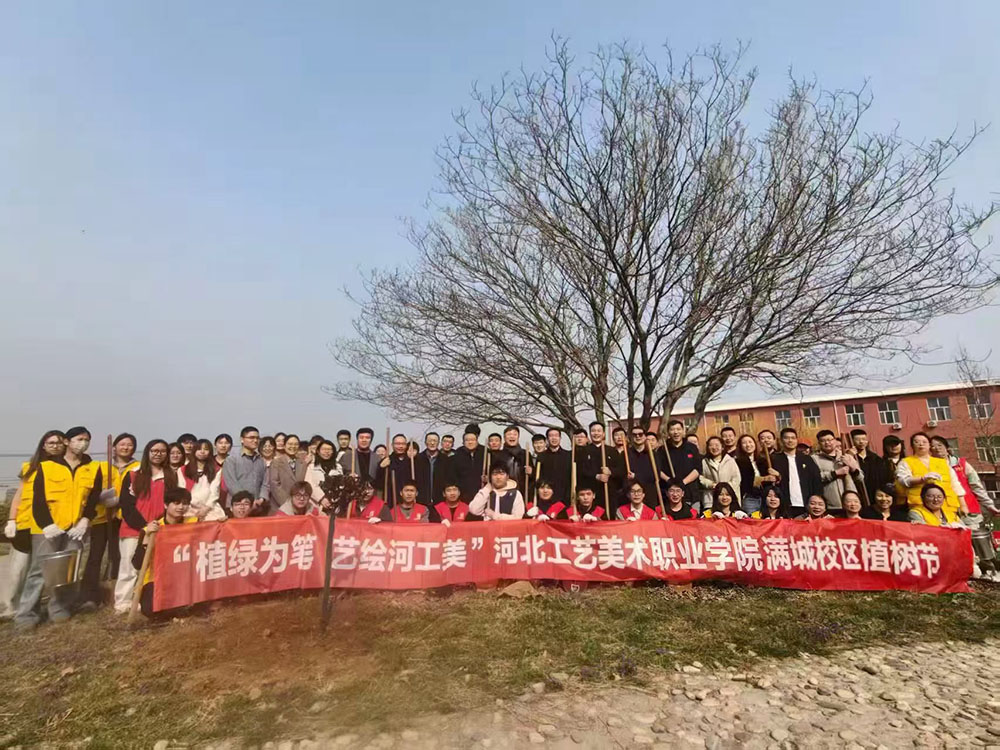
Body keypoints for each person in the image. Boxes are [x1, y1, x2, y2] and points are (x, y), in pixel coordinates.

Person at [15, 426, 105, 629]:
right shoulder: (46, 466)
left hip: (75, 529)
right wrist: (47, 525)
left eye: (87, 440)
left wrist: (85, 520)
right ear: (67, 441)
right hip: (46, 529)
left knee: (68, 572)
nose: (83, 443)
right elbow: (38, 499)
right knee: (39, 573)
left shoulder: (93, 468)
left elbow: (92, 499)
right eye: (79, 439)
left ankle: (59, 609)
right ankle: (26, 615)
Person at [2, 430, 65, 619]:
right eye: (51, 442)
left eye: (59, 442)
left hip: (47, 527)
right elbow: (19, 495)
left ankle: (32, 606)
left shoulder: (65, 468)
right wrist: (11, 520)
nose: (55, 446)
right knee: (19, 570)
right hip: (24, 524)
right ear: (43, 445)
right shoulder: (30, 467)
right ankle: (10, 608)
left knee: (39, 570)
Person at [115, 439, 178, 614]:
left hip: (159, 529)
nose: (158, 454)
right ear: (147, 452)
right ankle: (123, 602)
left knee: (153, 567)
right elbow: (127, 505)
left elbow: (172, 502)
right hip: (134, 529)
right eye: (154, 450)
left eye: (162, 451)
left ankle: (145, 599)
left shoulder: (171, 475)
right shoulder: (133, 474)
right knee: (129, 566)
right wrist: (144, 525)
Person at [132, 487, 198, 619]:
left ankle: (178, 609)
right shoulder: (151, 529)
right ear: (166, 505)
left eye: (185, 503)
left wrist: (221, 524)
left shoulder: (194, 523)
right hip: (156, 578)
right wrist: (147, 538)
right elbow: (137, 564)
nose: (181, 507)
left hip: (183, 577)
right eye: (176, 503)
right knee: (150, 608)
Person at [931, 435, 997, 526]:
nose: (937, 448)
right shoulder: (929, 467)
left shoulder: (962, 464)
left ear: (947, 447)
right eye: (932, 446)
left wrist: (989, 505)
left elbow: (976, 486)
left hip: (969, 509)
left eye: (939, 445)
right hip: (945, 512)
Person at [896, 433, 966, 516]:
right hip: (920, 507)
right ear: (912, 446)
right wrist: (922, 479)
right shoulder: (905, 462)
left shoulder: (942, 462)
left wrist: (963, 505)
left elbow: (955, 484)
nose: (921, 444)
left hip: (947, 507)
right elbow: (903, 480)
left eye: (924, 442)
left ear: (929, 445)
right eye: (917, 442)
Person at [103, 432, 140, 584]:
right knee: (110, 553)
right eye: (122, 444)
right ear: (114, 447)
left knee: (127, 553)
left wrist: (120, 500)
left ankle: (126, 583)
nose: (125, 447)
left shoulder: (138, 467)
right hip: (106, 516)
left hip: (128, 516)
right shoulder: (104, 466)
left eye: (130, 445)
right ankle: (111, 580)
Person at [771, 428, 822, 518]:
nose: (790, 440)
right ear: (781, 441)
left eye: (793, 438)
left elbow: (816, 480)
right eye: (786, 438)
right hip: (784, 505)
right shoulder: (775, 459)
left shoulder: (806, 459)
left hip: (805, 504)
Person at [221, 426, 269, 515]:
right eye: (251, 438)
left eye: (257, 438)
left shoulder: (261, 460)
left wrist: (262, 499)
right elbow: (232, 484)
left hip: (257, 507)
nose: (255, 440)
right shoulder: (231, 460)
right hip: (237, 508)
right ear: (242, 439)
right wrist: (247, 502)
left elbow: (265, 483)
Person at [812, 430, 864, 512]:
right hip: (830, 505)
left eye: (830, 440)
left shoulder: (847, 456)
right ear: (819, 443)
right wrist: (835, 473)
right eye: (823, 441)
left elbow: (860, 478)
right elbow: (815, 478)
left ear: (835, 441)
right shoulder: (815, 459)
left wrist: (853, 468)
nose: (827, 443)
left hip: (851, 504)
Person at [659, 420, 701, 506]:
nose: (676, 432)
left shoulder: (692, 448)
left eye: (678, 429)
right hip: (670, 496)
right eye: (672, 429)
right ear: (668, 432)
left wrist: (682, 483)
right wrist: (669, 480)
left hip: (691, 494)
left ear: (683, 431)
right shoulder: (662, 450)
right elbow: (658, 470)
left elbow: (698, 469)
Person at [182, 439, 226, 521]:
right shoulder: (183, 470)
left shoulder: (216, 470)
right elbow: (182, 490)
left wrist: (205, 509)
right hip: (189, 508)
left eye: (206, 449)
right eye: (199, 449)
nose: (202, 452)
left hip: (210, 507)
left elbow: (214, 492)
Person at [734, 434, 776, 516]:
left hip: (764, 496)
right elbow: (744, 480)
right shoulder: (738, 462)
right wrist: (764, 479)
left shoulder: (762, 460)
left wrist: (775, 476)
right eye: (744, 443)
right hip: (749, 497)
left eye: (750, 442)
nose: (748, 445)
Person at [699, 437, 741, 511]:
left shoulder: (730, 461)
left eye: (717, 445)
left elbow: (736, 478)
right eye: (711, 445)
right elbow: (701, 477)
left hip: (729, 499)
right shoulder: (704, 462)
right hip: (710, 499)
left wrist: (724, 488)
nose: (714, 447)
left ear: (722, 447)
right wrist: (711, 484)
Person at [849, 429, 890, 502]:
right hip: (858, 493)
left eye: (864, 439)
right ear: (852, 441)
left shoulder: (876, 459)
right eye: (857, 439)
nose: (861, 442)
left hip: (875, 494)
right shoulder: (850, 458)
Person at [303, 439, 343, 510]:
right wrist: (321, 498)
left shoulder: (338, 467)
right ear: (318, 451)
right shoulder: (311, 467)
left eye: (329, 449)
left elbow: (341, 485)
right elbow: (309, 484)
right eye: (323, 449)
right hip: (315, 504)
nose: (326, 452)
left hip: (334, 504)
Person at [376, 433, 414, 507]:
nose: (400, 446)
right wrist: (381, 468)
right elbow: (378, 484)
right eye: (397, 444)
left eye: (403, 444)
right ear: (392, 445)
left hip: (408, 501)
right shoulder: (386, 461)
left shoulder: (411, 462)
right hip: (390, 500)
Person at [626, 426, 659, 508]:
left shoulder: (653, 454)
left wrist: (636, 476)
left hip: (649, 494)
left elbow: (655, 475)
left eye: (640, 434)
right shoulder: (626, 454)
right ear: (631, 437)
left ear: (644, 436)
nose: (638, 436)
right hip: (632, 496)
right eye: (634, 434)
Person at [452, 427, 487, 507]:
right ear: (463, 442)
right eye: (467, 440)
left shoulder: (485, 451)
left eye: (473, 440)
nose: (470, 442)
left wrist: (488, 478)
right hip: (463, 494)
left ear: (477, 440)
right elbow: (453, 474)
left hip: (482, 492)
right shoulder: (458, 453)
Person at [537, 428, 572, 506]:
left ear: (560, 438)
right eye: (551, 436)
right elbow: (539, 477)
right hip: (547, 496)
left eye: (556, 435)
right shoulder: (541, 456)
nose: (554, 438)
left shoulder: (568, 455)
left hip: (565, 496)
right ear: (547, 439)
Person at [415, 431, 450, 508]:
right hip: (421, 502)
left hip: (440, 502)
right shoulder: (417, 459)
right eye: (430, 440)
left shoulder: (446, 460)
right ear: (425, 442)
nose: (432, 443)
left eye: (435, 441)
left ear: (438, 443)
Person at [269, 433, 303, 510]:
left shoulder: (302, 463)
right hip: (280, 505)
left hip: (299, 506)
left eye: (296, 444)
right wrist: (287, 504)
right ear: (284, 446)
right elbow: (274, 484)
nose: (293, 447)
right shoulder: (276, 462)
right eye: (290, 444)